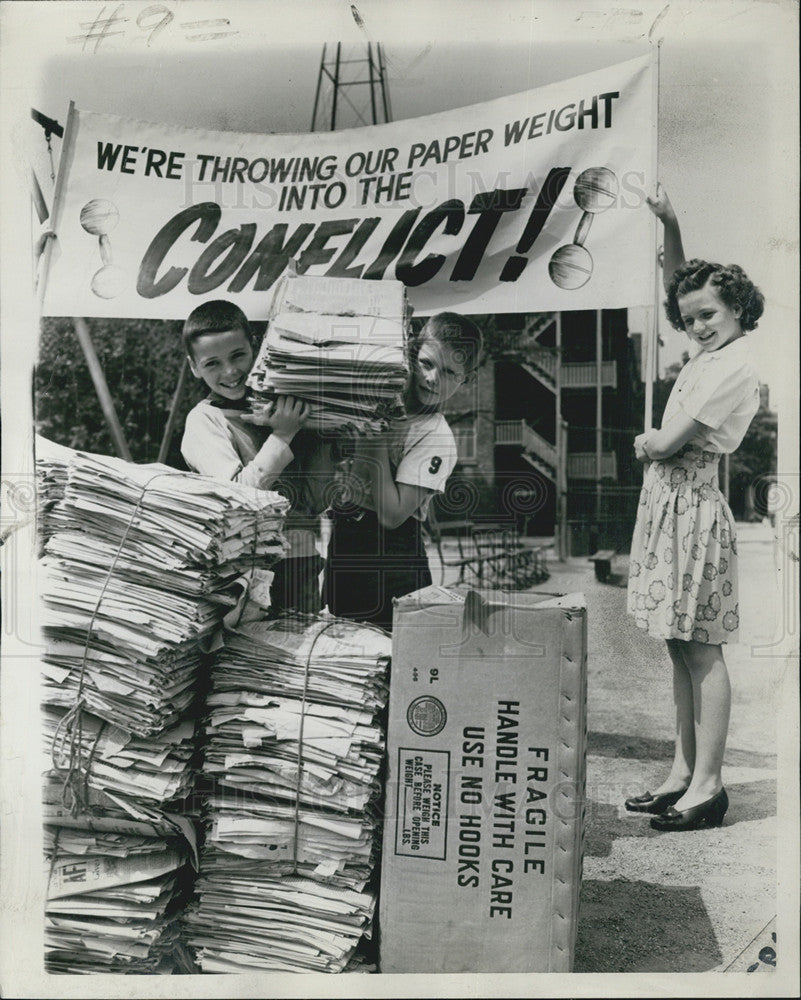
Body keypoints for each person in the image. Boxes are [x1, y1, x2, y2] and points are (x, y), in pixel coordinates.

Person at [625, 187, 763, 831]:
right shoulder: (709, 353)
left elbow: (668, 440)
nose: (698, 325)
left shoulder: (735, 367)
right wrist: (671, 222)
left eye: (709, 314)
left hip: (694, 505)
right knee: (679, 644)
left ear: (736, 308)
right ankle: (682, 773)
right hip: (669, 503)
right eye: (690, 320)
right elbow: (680, 287)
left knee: (701, 648)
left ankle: (708, 785)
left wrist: (648, 442)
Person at [323, 312, 484, 631]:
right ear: (411, 352)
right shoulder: (377, 399)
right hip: (345, 541)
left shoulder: (436, 435)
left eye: (450, 372)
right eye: (426, 363)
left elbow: (392, 514)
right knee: (340, 653)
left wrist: (376, 436)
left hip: (391, 555)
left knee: (389, 663)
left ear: (468, 379)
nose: (434, 378)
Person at [180, 299, 323, 615]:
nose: (230, 372)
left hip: (302, 559)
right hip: (245, 571)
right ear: (193, 366)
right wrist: (283, 435)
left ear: (255, 347)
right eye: (212, 363)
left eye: (237, 355)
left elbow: (318, 496)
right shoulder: (204, 420)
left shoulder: (282, 405)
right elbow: (238, 496)